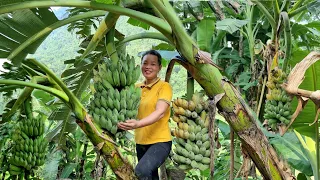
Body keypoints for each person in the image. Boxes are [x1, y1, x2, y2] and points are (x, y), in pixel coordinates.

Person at [118, 50, 173, 180]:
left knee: (141, 171)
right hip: (141, 142)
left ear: (159, 67)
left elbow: (160, 112)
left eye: (153, 64)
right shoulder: (135, 88)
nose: (148, 67)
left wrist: (138, 124)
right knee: (151, 176)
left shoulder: (164, 87)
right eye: (145, 63)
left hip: (160, 142)